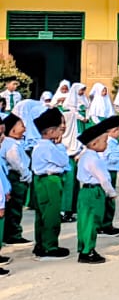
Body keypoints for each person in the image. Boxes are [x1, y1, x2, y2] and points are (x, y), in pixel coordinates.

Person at [74, 116, 119, 264]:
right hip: (94, 192)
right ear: (94, 143)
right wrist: (111, 192)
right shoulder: (93, 159)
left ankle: (83, 248)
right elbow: (104, 179)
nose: (106, 145)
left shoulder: (85, 156)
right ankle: (88, 251)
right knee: (91, 222)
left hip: (84, 192)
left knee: (84, 221)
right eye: (104, 142)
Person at [29, 106, 72, 259]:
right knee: (51, 214)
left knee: (42, 214)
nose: (62, 131)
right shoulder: (49, 147)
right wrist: (60, 145)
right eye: (60, 128)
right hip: (50, 181)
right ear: (51, 131)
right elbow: (63, 161)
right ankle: (50, 247)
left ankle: (40, 244)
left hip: (42, 181)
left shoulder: (40, 146)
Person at [2, 112, 29, 248]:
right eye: (21, 125)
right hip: (15, 177)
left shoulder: (12, 143)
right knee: (15, 207)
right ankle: (13, 234)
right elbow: (17, 163)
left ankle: (11, 233)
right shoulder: (11, 145)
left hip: (14, 176)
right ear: (12, 130)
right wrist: (26, 175)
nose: (24, 128)